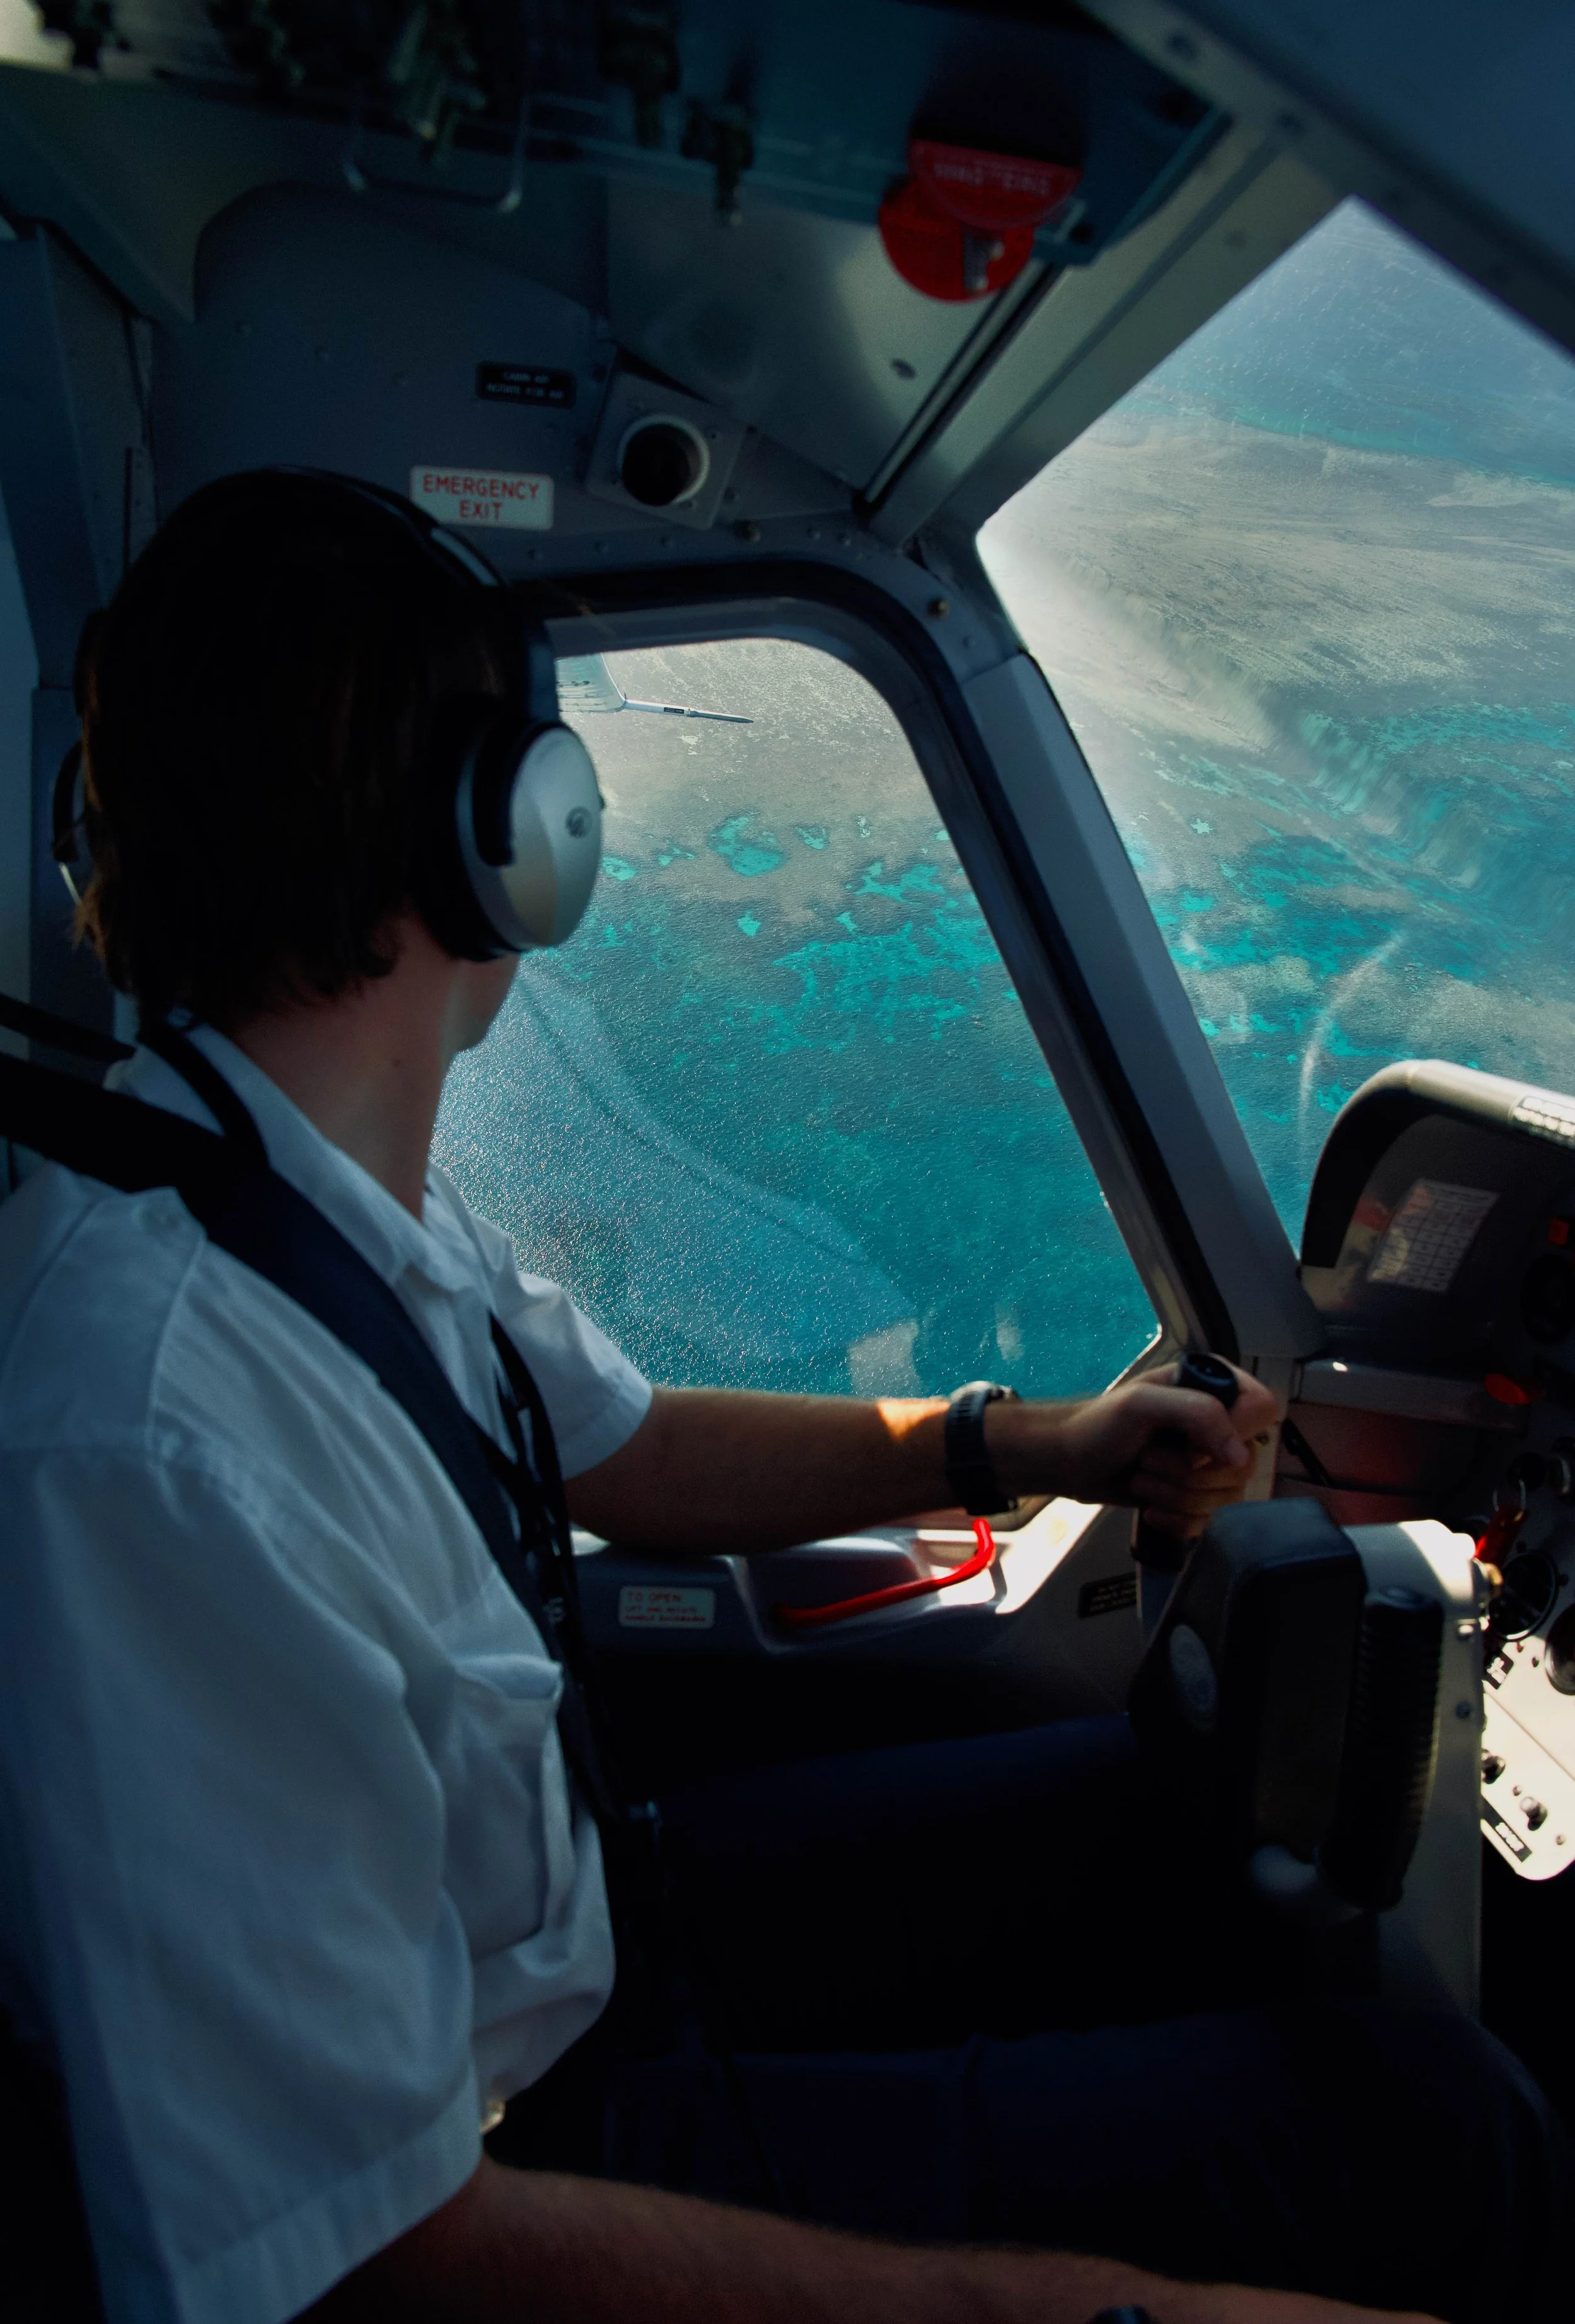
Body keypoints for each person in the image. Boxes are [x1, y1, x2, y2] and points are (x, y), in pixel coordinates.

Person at [0, 471, 1564, 2324]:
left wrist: (1030, 1438)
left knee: (1175, 1819)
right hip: (527, 2154)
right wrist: (1095, 2310)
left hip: (589, 1937)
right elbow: (372, 2259)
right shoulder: (150, 1430)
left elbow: (629, 1450)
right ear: (508, 842)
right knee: (1433, 2133)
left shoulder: (301, 1197)